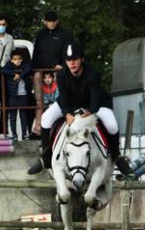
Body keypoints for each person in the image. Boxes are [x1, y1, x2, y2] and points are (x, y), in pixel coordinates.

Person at [27, 42, 132, 176]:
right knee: (46, 119)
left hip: (93, 104)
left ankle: (117, 156)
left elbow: (95, 100)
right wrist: (67, 114)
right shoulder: (61, 75)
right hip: (70, 104)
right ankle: (46, 156)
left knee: (112, 125)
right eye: (69, 60)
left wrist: (88, 112)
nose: (72, 63)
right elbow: (64, 98)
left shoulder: (93, 73)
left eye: (75, 59)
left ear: (82, 59)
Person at [31, 11, 75, 136]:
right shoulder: (40, 35)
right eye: (49, 21)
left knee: (59, 100)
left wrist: (60, 65)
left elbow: (70, 53)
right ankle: (38, 129)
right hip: (42, 71)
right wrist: (50, 65)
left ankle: (59, 127)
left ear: (57, 21)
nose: (51, 23)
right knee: (39, 102)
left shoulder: (65, 34)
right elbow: (35, 57)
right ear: (44, 21)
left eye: (53, 20)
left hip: (59, 72)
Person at [1, 49, 32, 140]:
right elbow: (3, 70)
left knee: (23, 116)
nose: (17, 61)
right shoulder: (9, 66)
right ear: (11, 60)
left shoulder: (25, 65)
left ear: (22, 59)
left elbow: (29, 68)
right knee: (13, 116)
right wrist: (14, 73)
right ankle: (14, 135)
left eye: (19, 59)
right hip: (12, 95)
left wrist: (20, 75)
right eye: (15, 59)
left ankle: (24, 134)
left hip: (23, 95)